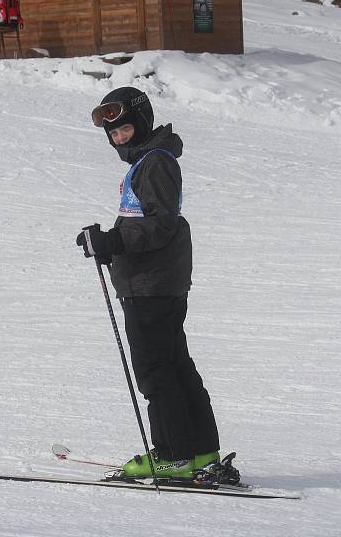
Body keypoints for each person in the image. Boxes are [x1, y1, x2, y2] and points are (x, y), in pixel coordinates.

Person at [75, 87, 227, 481]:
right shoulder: (148, 161)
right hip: (154, 281)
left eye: (124, 128)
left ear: (141, 124)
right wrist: (111, 246)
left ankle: (174, 456)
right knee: (175, 365)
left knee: (156, 371)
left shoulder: (155, 162)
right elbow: (146, 223)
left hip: (151, 287)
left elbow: (162, 225)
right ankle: (199, 452)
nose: (118, 138)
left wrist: (114, 241)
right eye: (113, 134)